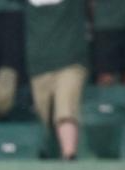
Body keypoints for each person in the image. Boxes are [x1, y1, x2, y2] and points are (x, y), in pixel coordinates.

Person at [24, 0, 90, 160]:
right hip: (38, 67)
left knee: (65, 110)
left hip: (70, 62)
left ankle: (69, 155)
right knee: (44, 118)